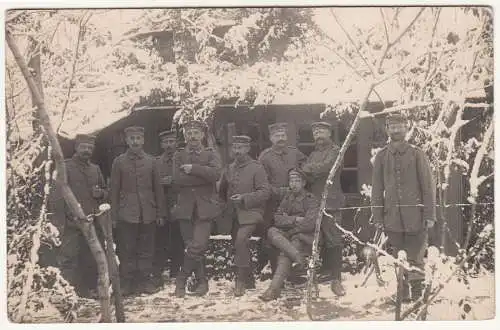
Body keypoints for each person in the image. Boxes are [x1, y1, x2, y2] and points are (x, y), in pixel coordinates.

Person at [371, 113, 436, 302]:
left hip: (416, 216)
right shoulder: (382, 157)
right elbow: (376, 190)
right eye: (392, 126)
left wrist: (429, 214)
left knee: (416, 256)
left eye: (399, 126)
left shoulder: (417, 154)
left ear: (406, 128)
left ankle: (417, 294)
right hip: (392, 218)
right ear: (387, 130)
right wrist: (378, 217)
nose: (396, 129)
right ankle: (403, 291)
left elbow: (428, 186)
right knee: (398, 256)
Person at [49, 134, 108, 298]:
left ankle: (89, 290)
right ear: (76, 148)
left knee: (90, 257)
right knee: (69, 258)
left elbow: (105, 192)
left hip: (91, 221)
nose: (86, 151)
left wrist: (100, 193)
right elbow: (56, 195)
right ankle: (68, 293)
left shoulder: (95, 169)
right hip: (71, 222)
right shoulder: (65, 167)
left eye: (90, 148)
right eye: (83, 147)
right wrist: (62, 220)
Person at [110, 126, 166, 296]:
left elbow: (158, 189)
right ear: (127, 141)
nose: (135, 141)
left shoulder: (152, 161)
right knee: (127, 248)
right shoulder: (119, 162)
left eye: (138, 138)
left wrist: (160, 213)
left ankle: (145, 281)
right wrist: (113, 216)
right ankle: (127, 283)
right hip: (127, 213)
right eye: (132, 138)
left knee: (146, 248)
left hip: (148, 212)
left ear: (143, 140)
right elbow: (114, 190)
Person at [172, 120, 223, 298]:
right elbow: (177, 180)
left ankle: (181, 279)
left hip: (205, 207)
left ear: (202, 135)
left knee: (198, 245)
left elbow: (216, 174)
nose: (192, 136)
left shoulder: (211, 154)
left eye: (196, 132)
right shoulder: (178, 155)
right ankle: (202, 282)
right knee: (192, 247)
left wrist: (193, 169)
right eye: (189, 133)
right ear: (185, 136)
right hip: (185, 208)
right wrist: (203, 176)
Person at [219, 136, 270, 297]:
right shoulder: (229, 168)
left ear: (248, 149)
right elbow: (222, 191)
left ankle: (240, 280)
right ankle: (249, 280)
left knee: (241, 240)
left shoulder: (257, 168)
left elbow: (264, 192)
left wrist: (244, 198)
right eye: (235, 148)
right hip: (233, 214)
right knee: (239, 244)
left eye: (241, 148)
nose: (237, 151)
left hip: (252, 212)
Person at [259, 168, 319, 301]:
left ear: (303, 183)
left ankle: (273, 289)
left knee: (286, 252)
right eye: (291, 180)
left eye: (297, 180)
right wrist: (295, 219)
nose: (294, 184)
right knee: (271, 231)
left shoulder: (311, 199)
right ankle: (297, 257)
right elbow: (277, 218)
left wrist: (290, 226)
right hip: (289, 235)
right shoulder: (288, 197)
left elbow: (309, 224)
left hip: (304, 237)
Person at [302, 121, 346, 296]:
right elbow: (305, 173)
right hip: (315, 202)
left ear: (329, 133)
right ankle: (319, 276)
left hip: (332, 202)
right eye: (315, 132)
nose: (318, 134)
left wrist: (311, 170)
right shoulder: (312, 154)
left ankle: (336, 279)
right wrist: (311, 171)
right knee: (315, 240)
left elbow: (327, 168)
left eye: (322, 131)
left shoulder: (336, 151)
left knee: (334, 240)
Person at [258, 122, 307, 273]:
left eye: (283, 135)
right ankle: (276, 272)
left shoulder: (295, 153)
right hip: (274, 204)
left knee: (294, 235)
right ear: (271, 138)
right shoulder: (265, 157)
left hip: (295, 204)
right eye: (277, 136)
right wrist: (281, 191)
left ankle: (294, 272)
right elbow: (262, 183)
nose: (281, 138)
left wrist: (300, 188)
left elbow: (306, 170)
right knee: (274, 239)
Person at [153, 130, 184, 286]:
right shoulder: (156, 162)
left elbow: (190, 179)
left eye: (172, 142)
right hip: (162, 205)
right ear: (161, 145)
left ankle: (176, 270)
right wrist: (161, 182)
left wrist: (174, 181)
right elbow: (151, 183)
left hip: (180, 204)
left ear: (176, 143)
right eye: (166, 142)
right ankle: (158, 273)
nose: (169, 145)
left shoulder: (183, 159)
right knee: (161, 240)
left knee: (179, 239)